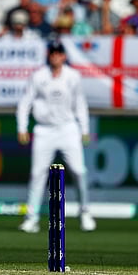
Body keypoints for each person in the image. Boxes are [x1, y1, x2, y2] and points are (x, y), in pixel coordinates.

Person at [16, 40, 96, 234]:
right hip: (44, 130)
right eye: (52, 53)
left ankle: (85, 212)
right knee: (37, 174)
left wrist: (84, 129)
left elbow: (80, 104)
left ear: (64, 56)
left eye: (58, 53)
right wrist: (22, 128)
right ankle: (31, 218)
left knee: (79, 171)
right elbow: (25, 103)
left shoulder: (73, 76)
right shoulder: (38, 76)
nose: (55, 56)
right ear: (48, 55)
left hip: (68, 129)